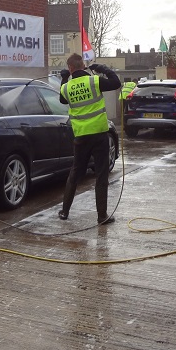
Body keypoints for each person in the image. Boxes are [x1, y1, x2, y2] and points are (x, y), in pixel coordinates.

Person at [58, 53, 121, 224]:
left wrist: (64, 78)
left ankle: (64, 212)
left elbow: (63, 100)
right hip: (99, 134)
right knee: (101, 175)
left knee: (75, 173)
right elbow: (116, 83)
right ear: (83, 66)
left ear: (70, 68)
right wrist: (103, 69)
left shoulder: (66, 87)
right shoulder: (94, 81)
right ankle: (102, 216)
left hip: (81, 137)